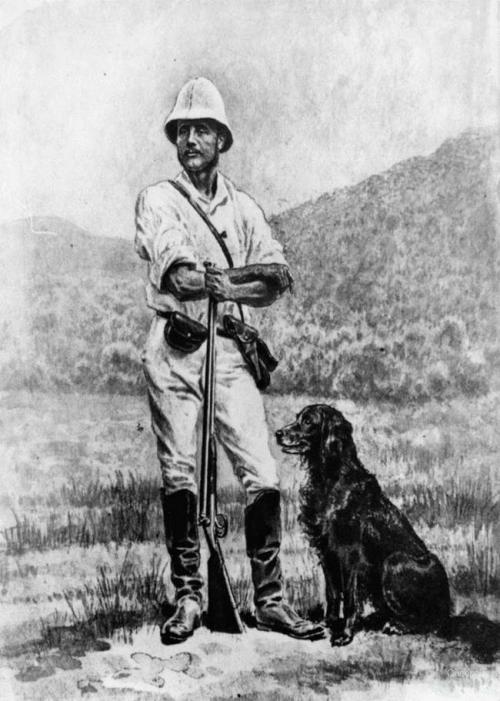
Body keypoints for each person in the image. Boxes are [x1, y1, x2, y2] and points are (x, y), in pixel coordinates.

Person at [135, 77, 324, 644]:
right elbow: (180, 276)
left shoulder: (244, 208)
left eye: (202, 130)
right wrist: (236, 280)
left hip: (230, 347)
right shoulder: (158, 200)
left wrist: (222, 285)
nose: (190, 139)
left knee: (261, 472)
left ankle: (269, 601)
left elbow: (278, 279)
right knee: (180, 474)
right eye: (183, 130)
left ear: (221, 138)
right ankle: (190, 597)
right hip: (176, 346)